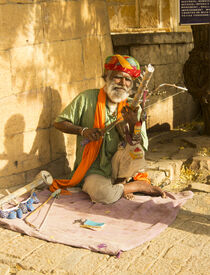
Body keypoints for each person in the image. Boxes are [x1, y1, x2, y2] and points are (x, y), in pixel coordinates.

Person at [50, 54, 165, 204]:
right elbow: (59, 123)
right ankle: (135, 186)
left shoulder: (133, 107)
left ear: (131, 84)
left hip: (122, 171)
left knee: (136, 149)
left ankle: (122, 183)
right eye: (118, 77)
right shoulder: (86, 98)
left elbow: (140, 146)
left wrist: (133, 124)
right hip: (94, 169)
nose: (122, 83)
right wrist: (83, 131)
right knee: (103, 195)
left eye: (128, 79)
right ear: (107, 77)